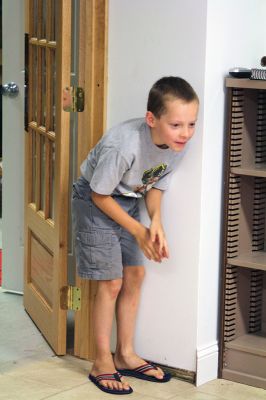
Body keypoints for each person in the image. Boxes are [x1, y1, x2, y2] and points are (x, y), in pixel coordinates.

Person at [72, 76, 199, 395]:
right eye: (177, 125)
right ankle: (102, 362)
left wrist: (156, 222)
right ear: (151, 119)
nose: (185, 133)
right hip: (94, 200)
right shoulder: (123, 144)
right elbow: (100, 197)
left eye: (191, 124)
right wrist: (140, 230)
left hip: (126, 200)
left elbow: (154, 187)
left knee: (135, 275)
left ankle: (125, 354)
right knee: (111, 282)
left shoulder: (176, 145)